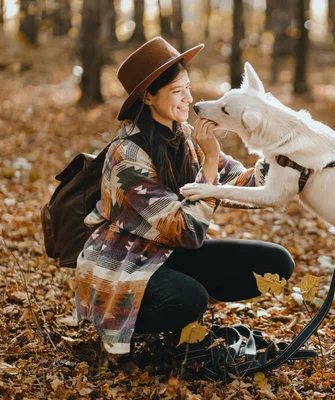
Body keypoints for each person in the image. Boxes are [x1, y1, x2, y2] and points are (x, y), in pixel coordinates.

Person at [74, 37, 294, 362]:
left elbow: (242, 180)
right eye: (177, 91)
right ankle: (131, 330)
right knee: (190, 299)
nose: (189, 99)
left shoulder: (185, 136)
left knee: (276, 263)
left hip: (166, 254)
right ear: (148, 97)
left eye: (188, 88)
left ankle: (183, 321)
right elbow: (187, 232)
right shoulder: (127, 156)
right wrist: (209, 161)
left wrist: (288, 156)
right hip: (124, 266)